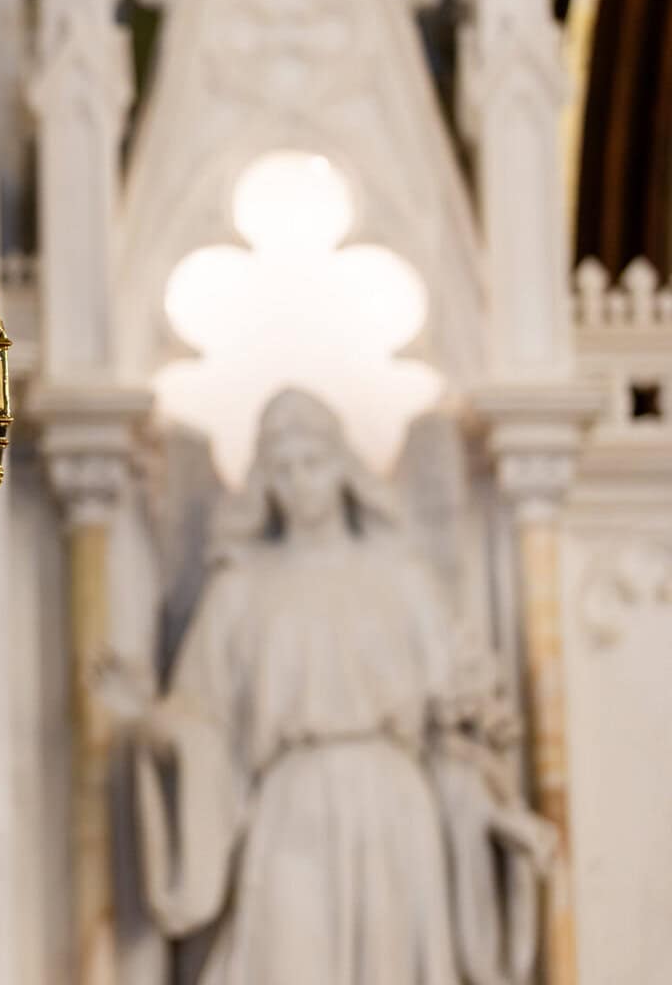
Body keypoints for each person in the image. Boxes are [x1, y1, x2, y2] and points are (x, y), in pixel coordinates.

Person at [123, 388, 553, 985]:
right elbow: (202, 714)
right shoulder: (241, 588)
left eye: (314, 463)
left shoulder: (401, 579)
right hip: (290, 806)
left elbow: (458, 724)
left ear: (343, 467)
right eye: (283, 469)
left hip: (393, 806)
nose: (300, 483)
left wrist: (491, 798)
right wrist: (157, 726)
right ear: (265, 482)